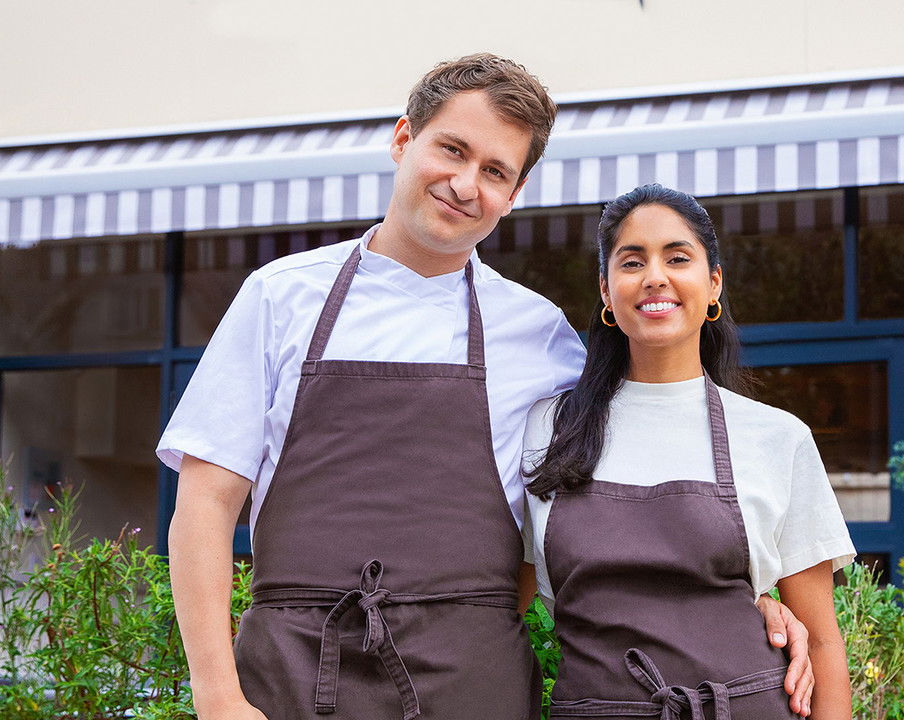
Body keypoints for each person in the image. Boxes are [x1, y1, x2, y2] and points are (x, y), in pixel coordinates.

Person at [159, 55, 811, 720]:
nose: (466, 184)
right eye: (452, 150)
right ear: (403, 139)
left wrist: (743, 604)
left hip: (474, 685)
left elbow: (619, 506)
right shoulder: (280, 297)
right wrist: (217, 697)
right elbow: (205, 505)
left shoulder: (540, 337)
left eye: (495, 171)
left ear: (514, 193)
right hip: (294, 676)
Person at [522, 184, 855, 719]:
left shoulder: (777, 436)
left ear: (713, 282)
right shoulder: (546, 429)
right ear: (606, 291)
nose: (656, 275)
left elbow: (821, 643)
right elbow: (500, 607)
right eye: (632, 262)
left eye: (678, 257)